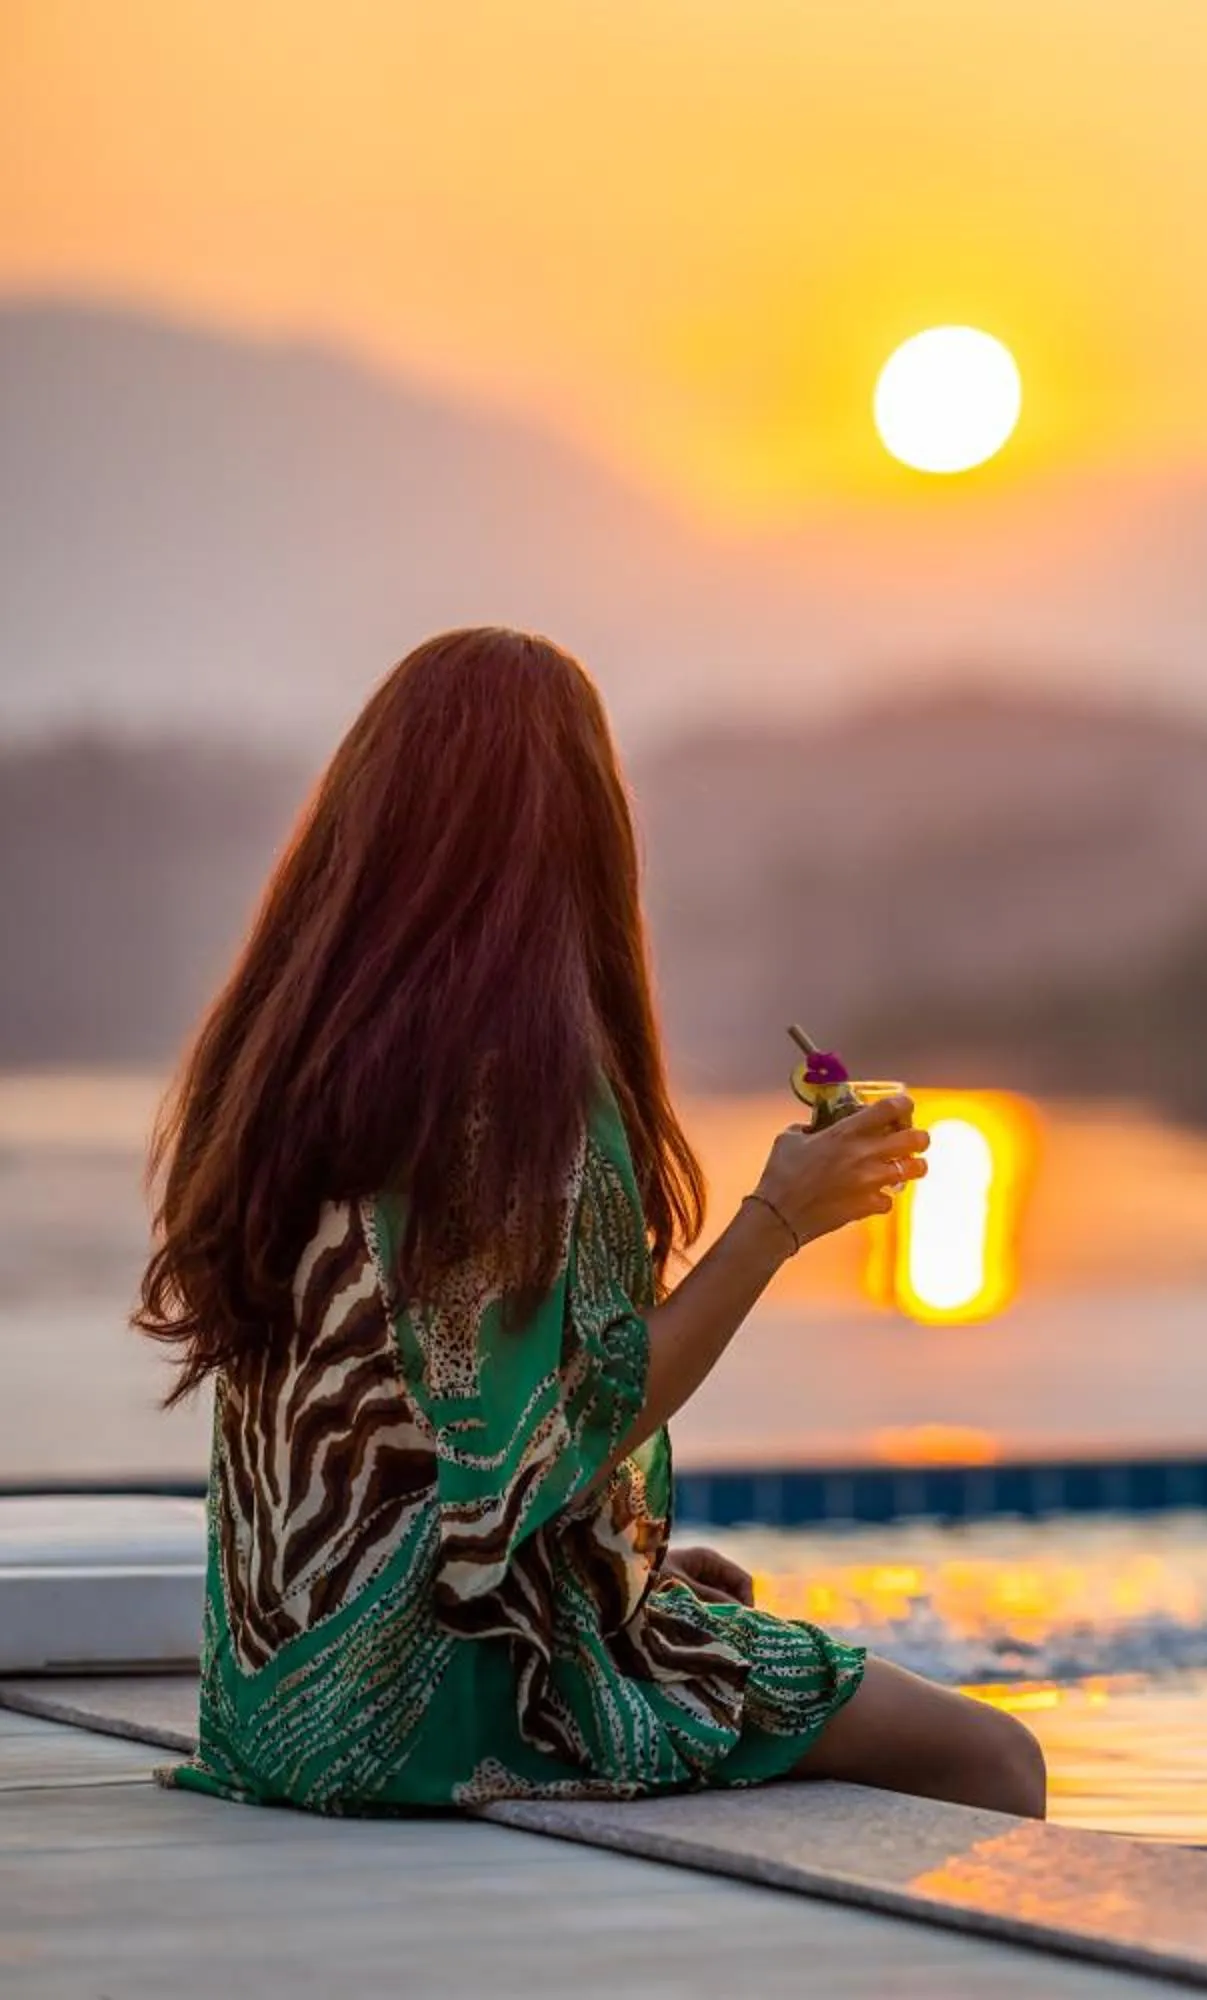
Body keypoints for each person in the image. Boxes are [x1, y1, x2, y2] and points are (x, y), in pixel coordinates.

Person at [132, 627, 1044, 1820]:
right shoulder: (520, 1090)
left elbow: (439, 1443)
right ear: (579, 829)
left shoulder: (281, 1062)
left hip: (275, 1706)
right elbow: (543, 1445)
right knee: (991, 1758)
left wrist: (623, 1571)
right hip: (431, 1704)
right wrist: (780, 1216)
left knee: (732, 1607)